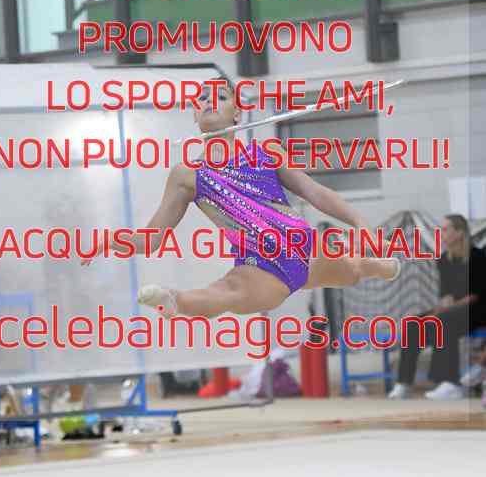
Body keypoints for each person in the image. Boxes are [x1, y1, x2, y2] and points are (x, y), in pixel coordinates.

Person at [82, 79, 399, 315]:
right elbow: (151, 239)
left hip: (305, 247)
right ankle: (174, 300)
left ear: (237, 114)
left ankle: (380, 266)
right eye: (202, 98)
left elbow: (315, 192)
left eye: (220, 97)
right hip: (258, 266)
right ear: (194, 115)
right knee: (227, 293)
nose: (210, 101)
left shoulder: (266, 152)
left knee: (352, 270)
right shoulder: (187, 174)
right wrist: (110, 240)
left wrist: (360, 223)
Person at [388, 214, 486, 400]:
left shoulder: (478, 257)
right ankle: (404, 382)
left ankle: (451, 383)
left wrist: (445, 310)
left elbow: (474, 296)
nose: (441, 233)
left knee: (442, 321)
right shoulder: (443, 260)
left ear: (459, 233)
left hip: (478, 309)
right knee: (413, 323)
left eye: (445, 229)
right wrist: (440, 307)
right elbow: (446, 294)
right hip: (455, 310)